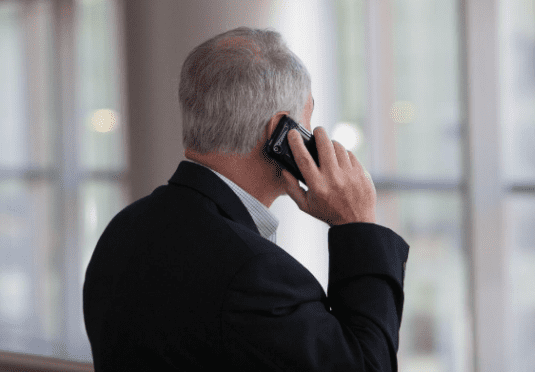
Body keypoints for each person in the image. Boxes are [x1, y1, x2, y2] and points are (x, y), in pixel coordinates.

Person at [83, 27, 409, 371]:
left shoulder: (123, 229)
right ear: (281, 135)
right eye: (308, 119)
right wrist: (356, 226)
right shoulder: (254, 274)